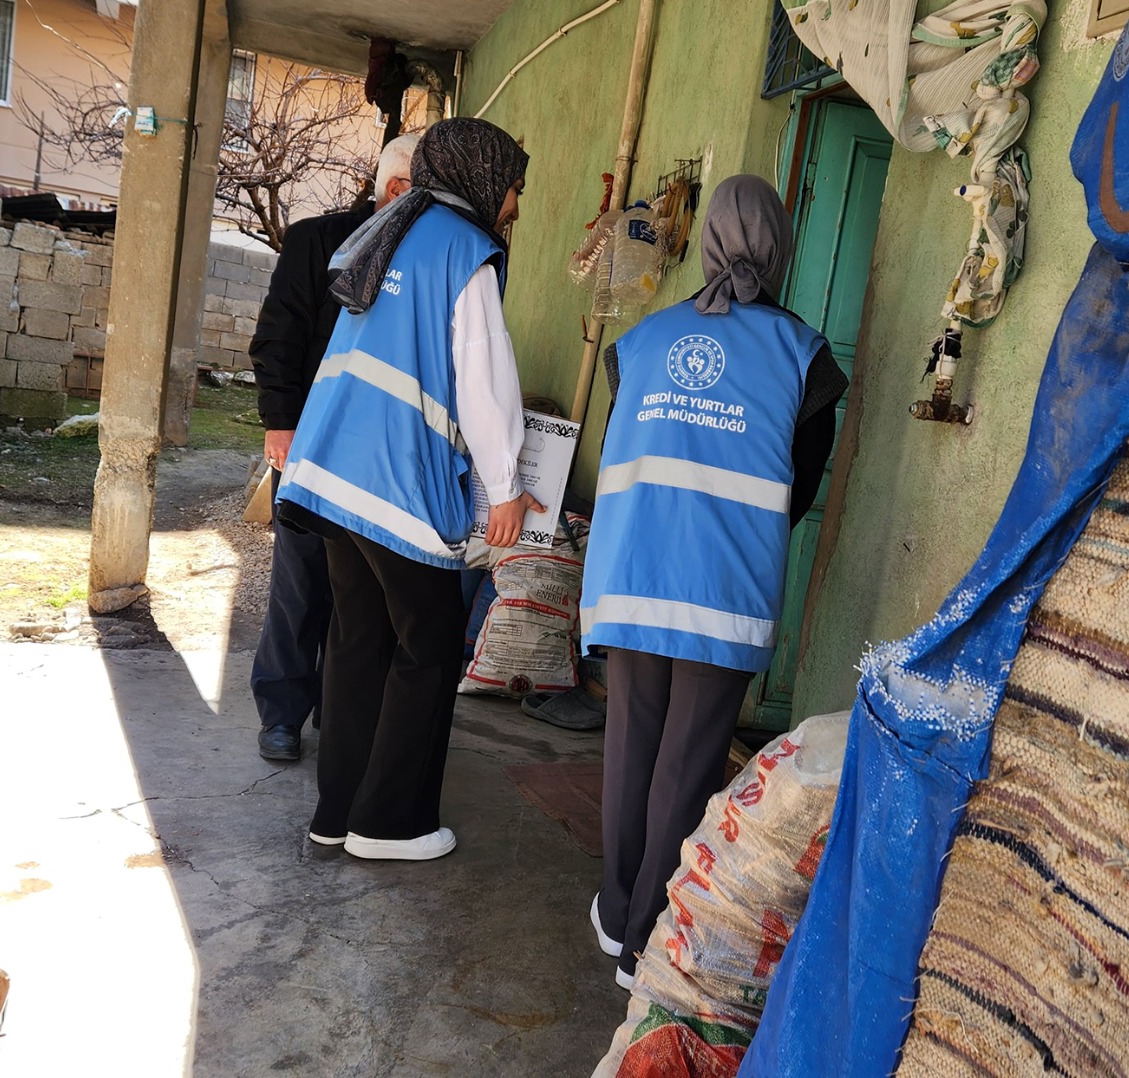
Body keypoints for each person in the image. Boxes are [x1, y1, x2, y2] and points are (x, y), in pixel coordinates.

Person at [579, 174, 848, 989]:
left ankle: (615, 910)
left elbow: (621, 450)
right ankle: (646, 942)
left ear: (707, 247)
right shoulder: (806, 358)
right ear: (780, 248)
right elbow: (800, 486)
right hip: (723, 588)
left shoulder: (642, 343)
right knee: (688, 764)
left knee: (630, 747)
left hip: (633, 575)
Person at [274, 118, 542, 861]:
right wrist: (505, 487)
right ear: (483, 178)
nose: (516, 205)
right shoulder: (466, 250)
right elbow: (483, 379)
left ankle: (336, 813)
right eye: (515, 187)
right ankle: (390, 824)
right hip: (397, 482)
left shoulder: (390, 227)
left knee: (357, 640)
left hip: (334, 470)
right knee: (429, 645)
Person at [250, 134, 421, 763]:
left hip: (383, 453)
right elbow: (279, 336)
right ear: (397, 190)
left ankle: (339, 708)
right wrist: (280, 422)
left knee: (362, 590)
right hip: (312, 441)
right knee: (301, 578)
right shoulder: (317, 241)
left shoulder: (426, 255)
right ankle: (282, 711)